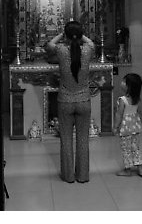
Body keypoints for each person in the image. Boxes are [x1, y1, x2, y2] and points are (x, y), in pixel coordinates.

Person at [47, 21, 95, 183]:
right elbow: (91, 43)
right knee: (83, 140)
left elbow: (49, 44)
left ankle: (68, 176)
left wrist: (63, 34)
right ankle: (82, 176)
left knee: (66, 139)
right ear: (81, 35)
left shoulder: (61, 50)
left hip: (65, 101)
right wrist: (79, 35)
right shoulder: (87, 50)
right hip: (84, 100)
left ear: (66, 36)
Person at [114, 73, 142, 177]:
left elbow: (119, 114)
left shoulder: (122, 100)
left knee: (126, 149)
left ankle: (127, 170)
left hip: (125, 128)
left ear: (129, 86)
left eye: (124, 81)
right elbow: (136, 112)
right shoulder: (136, 99)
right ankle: (140, 168)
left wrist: (115, 127)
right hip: (136, 127)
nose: (121, 83)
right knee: (135, 148)